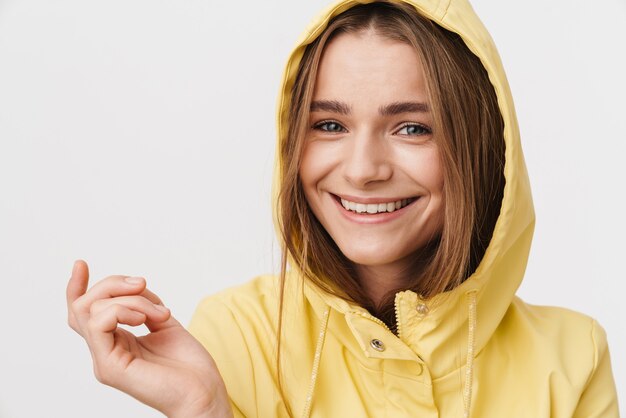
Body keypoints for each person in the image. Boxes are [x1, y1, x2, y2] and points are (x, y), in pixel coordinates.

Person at [66, 0, 620, 417]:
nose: (362, 169)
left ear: (477, 147)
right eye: (329, 125)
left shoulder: (571, 358)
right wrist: (204, 408)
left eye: (412, 127)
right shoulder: (238, 334)